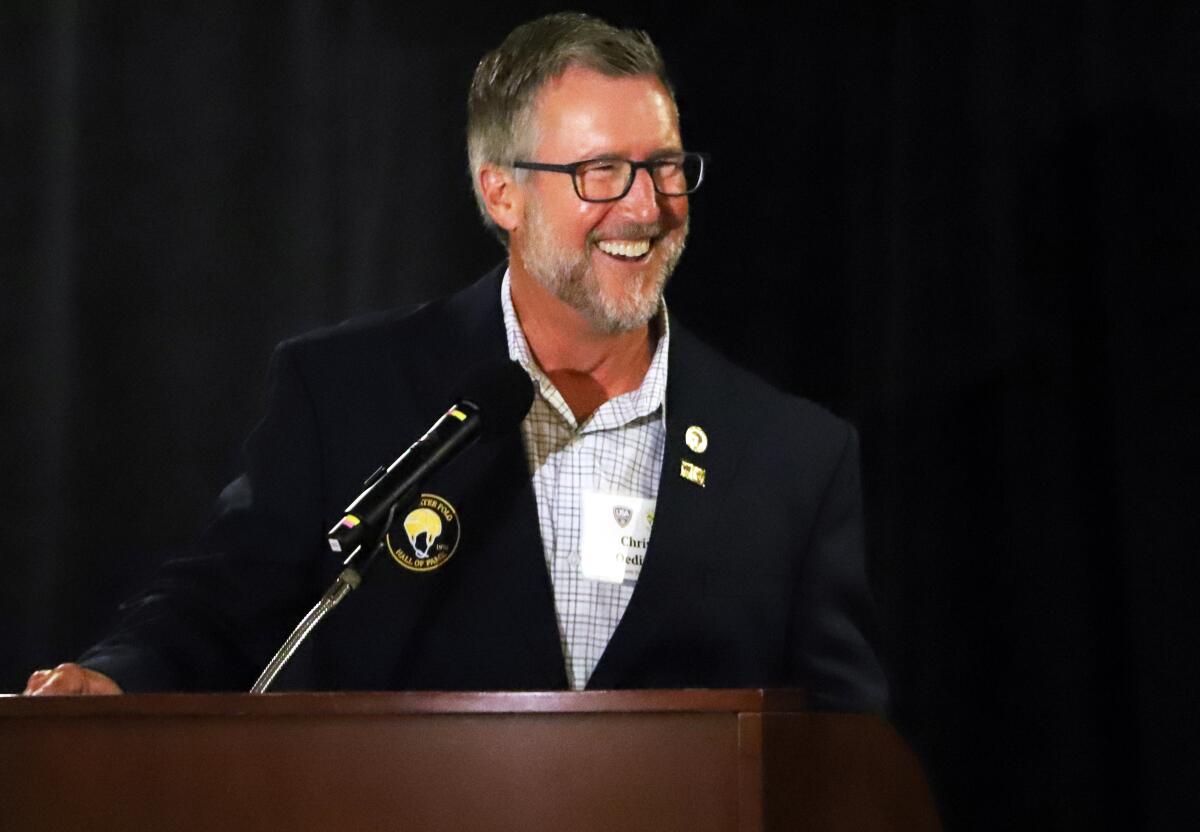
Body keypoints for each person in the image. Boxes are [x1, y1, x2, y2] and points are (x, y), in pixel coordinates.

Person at [24, 12, 888, 712]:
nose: (647, 207)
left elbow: (846, 757)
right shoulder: (351, 396)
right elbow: (227, 598)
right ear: (501, 193)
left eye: (664, 166)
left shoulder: (794, 460)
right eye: (600, 172)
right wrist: (118, 676)